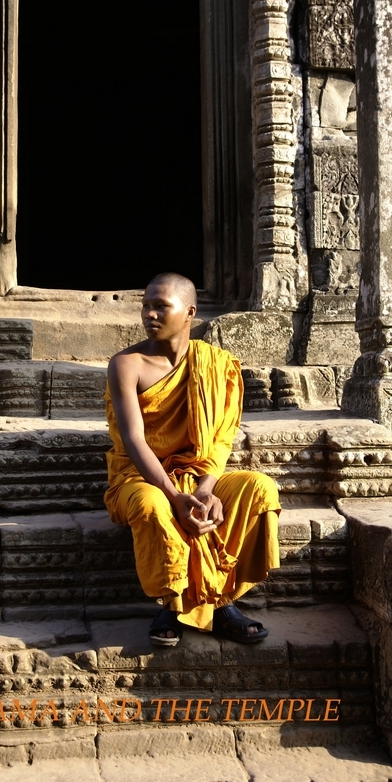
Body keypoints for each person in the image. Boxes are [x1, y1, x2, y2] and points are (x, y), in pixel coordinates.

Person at [104, 272, 281, 647]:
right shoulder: (126, 364)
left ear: (189, 312)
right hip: (138, 478)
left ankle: (215, 600)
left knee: (260, 488)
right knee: (154, 505)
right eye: (146, 306)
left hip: (199, 475)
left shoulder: (216, 364)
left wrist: (205, 489)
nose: (149, 314)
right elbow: (135, 440)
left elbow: (221, 437)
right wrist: (175, 496)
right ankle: (179, 603)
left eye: (161, 306)